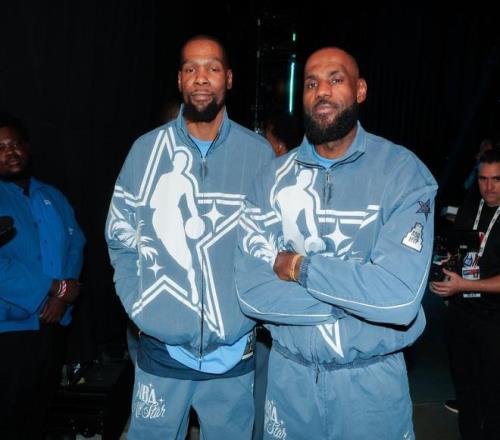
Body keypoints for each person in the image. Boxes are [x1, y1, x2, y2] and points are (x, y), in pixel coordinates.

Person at [235, 47, 437, 439]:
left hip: (371, 386)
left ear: (360, 90)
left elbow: (398, 298)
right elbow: (251, 294)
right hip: (289, 382)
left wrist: (300, 268)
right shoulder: (271, 180)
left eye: (335, 79)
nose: (322, 91)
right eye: (311, 83)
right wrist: (358, 300)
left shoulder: (402, 173)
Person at [106, 35, 273, 439]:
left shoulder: (259, 155)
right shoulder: (145, 152)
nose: (201, 78)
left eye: (212, 68)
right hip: (161, 351)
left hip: (233, 353)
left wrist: (247, 316)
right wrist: (142, 308)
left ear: (228, 78)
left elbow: (272, 246)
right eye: (190, 69)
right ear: (179, 80)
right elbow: (119, 235)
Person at [0, 112, 85, 439]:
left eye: (15, 144)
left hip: (51, 326)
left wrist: (63, 297)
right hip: (9, 330)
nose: (10, 152)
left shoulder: (52, 195)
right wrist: (51, 288)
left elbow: (76, 242)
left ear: (28, 147)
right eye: (0, 148)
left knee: (39, 414)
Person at [430, 148, 500, 439]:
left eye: (496, 179)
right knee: (465, 390)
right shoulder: (472, 205)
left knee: (493, 395)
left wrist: (463, 285)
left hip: (494, 320)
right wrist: (445, 269)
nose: (489, 187)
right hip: (461, 314)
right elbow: (460, 249)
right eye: (483, 179)